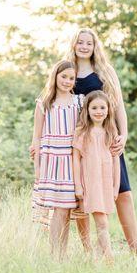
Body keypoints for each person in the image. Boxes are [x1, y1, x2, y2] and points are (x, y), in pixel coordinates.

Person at [67, 28, 137, 256]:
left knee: (123, 192)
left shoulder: (105, 71)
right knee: (81, 197)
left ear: (94, 46)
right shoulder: (67, 71)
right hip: (80, 143)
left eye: (88, 43)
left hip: (107, 140)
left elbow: (118, 105)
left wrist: (124, 134)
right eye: (80, 42)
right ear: (74, 44)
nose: (84, 46)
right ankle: (88, 251)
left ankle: (136, 248)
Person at [31, 60, 83, 259]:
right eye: (64, 77)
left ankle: (62, 254)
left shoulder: (79, 102)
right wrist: (37, 167)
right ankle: (55, 255)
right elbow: (36, 137)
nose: (67, 81)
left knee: (66, 210)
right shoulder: (44, 103)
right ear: (55, 76)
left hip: (71, 161)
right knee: (57, 210)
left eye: (71, 78)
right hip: (51, 162)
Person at [73, 90, 120, 260]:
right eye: (94, 108)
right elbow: (76, 160)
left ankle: (98, 258)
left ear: (108, 110)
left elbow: (116, 161)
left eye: (102, 107)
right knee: (101, 221)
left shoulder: (111, 132)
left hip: (106, 182)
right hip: (90, 183)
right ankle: (109, 258)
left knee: (103, 220)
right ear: (87, 110)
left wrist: (116, 186)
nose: (98, 111)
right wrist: (78, 185)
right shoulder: (82, 132)